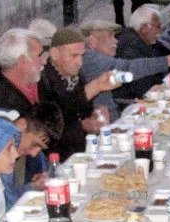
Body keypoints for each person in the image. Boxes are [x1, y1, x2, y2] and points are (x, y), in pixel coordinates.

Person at [80, 20, 170, 119]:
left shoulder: (94, 58)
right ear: (93, 40)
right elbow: (129, 68)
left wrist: (134, 104)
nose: (116, 41)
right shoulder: (90, 59)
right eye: (110, 36)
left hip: (114, 118)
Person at [45, 27, 121, 159]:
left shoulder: (75, 75)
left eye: (82, 55)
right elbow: (52, 130)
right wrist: (83, 126)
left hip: (84, 149)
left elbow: (81, 109)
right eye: (74, 55)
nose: (80, 62)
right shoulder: (44, 80)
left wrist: (95, 113)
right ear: (55, 54)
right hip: (61, 158)